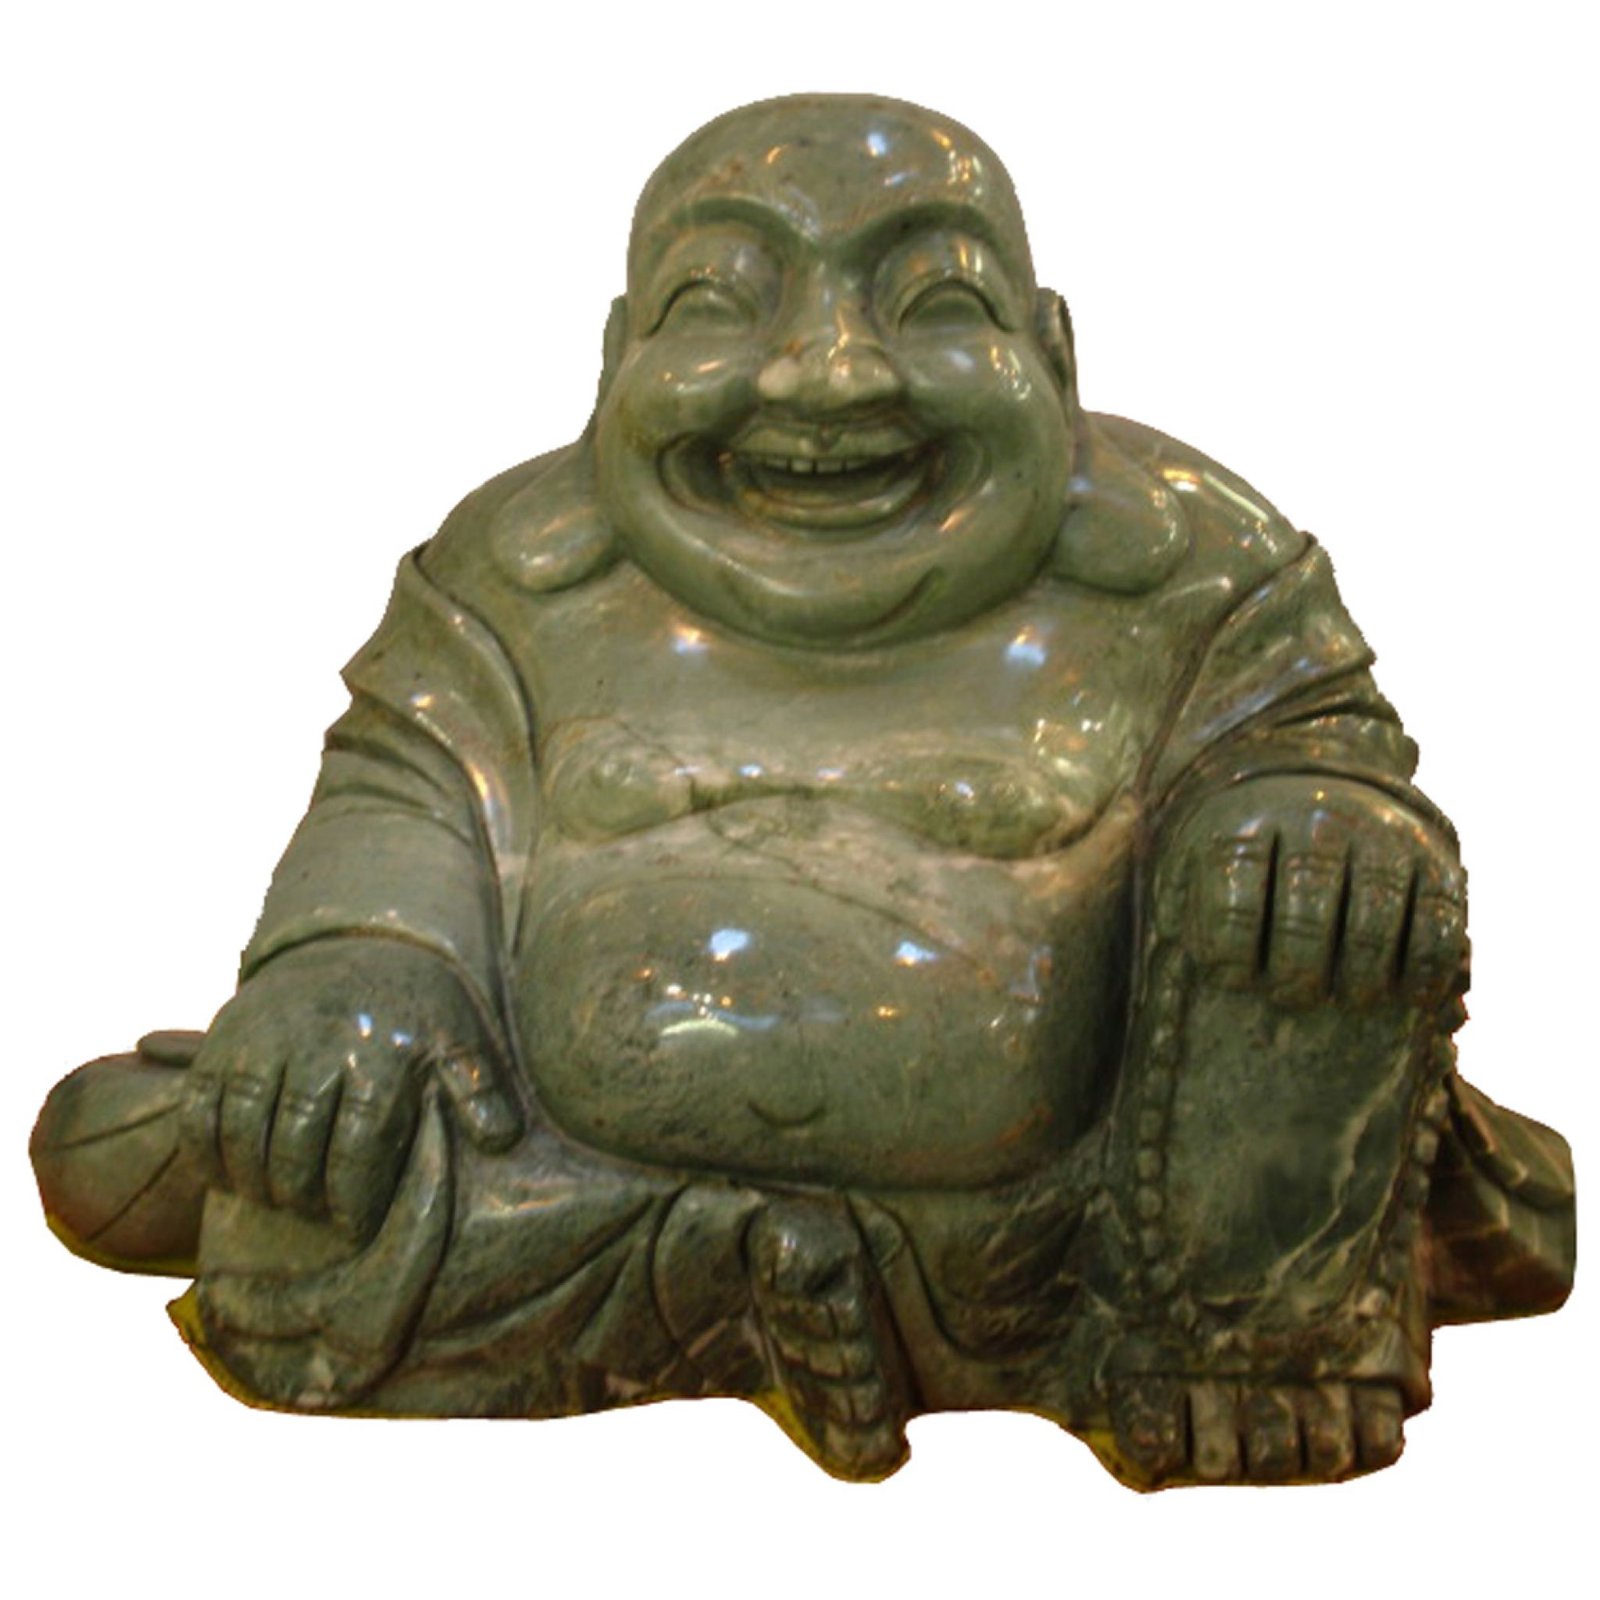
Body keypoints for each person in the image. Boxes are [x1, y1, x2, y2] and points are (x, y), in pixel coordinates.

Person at [32, 94, 1574, 1487]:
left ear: (1053, 352)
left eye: (935, 303)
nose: (827, 374)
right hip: (563, 1192)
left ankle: (1228, 1333)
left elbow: (1316, 755)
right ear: (616, 359)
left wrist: (1316, 822)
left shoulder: (1193, 565)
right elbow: (406, 795)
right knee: (124, 1155)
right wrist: (359, 971)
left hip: (1062, 1211)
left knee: (1313, 933)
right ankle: (742, 1266)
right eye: (718, 302)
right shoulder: (515, 577)